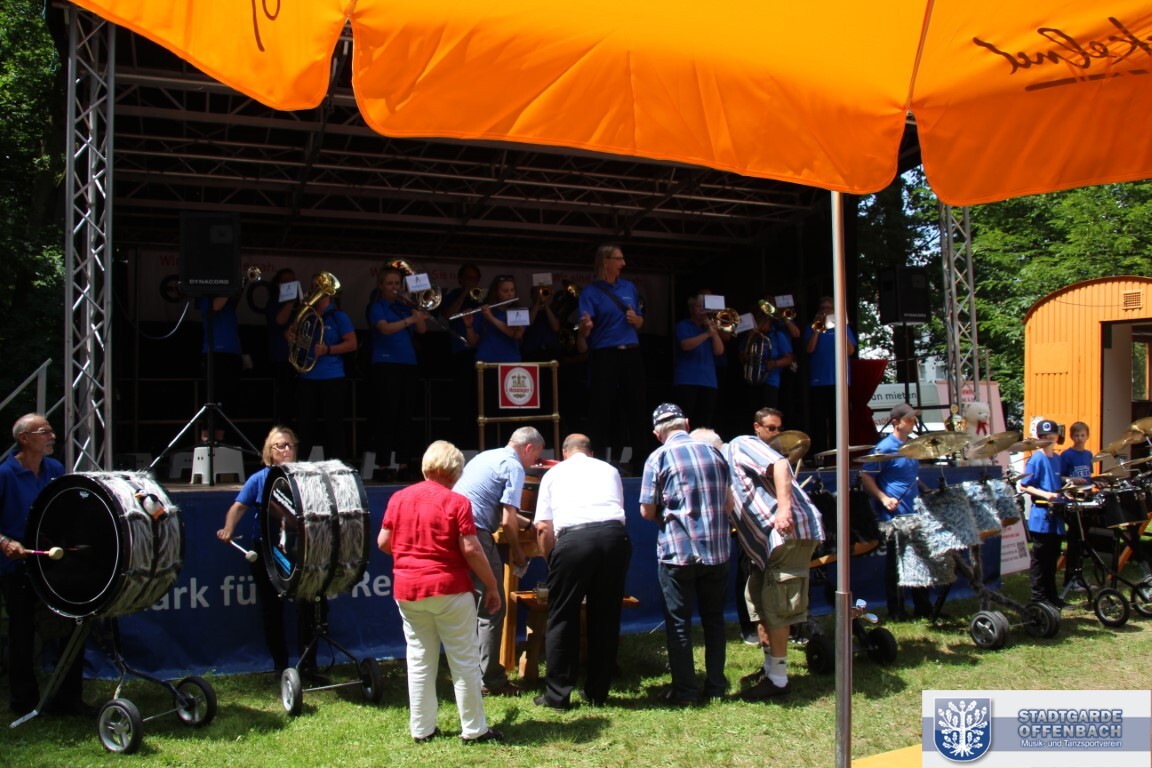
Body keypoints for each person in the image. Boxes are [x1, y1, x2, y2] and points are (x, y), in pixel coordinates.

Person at [378, 440, 504, 744]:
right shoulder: (457, 502)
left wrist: (411, 555)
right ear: (456, 471)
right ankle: (474, 729)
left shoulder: (398, 498)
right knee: (463, 660)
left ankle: (422, 729)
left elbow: (383, 543)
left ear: (426, 466)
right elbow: (471, 549)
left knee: (419, 659)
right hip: (449, 589)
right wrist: (492, 585)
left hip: (408, 590)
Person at [726, 412, 825, 699]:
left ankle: (779, 680)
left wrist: (783, 510)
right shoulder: (723, 470)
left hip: (787, 533)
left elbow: (781, 463)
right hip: (765, 549)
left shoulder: (739, 444)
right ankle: (770, 669)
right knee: (757, 599)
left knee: (778, 605)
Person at [639, 403, 731, 705]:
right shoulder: (715, 453)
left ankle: (686, 692)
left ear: (657, 434)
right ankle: (716, 685)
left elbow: (646, 510)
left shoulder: (658, 457)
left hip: (677, 552)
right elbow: (729, 504)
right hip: (717, 551)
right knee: (714, 620)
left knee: (679, 623)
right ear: (687, 424)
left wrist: (665, 516)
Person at [0, 414, 91, 717]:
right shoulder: (5, 474)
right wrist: (5, 542)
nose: (52, 436)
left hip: (52, 563)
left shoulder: (55, 469)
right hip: (17, 566)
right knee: (22, 632)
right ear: (24, 439)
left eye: (52, 431)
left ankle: (68, 699)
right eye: (45, 432)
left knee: (73, 624)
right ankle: (23, 702)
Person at [532, 433, 630, 711]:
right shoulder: (610, 470)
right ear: (591, 452)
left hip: (574, 541)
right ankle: (598, 691)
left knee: (562, 616)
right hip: (614, 538)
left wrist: (551, 560)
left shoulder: (554, 474)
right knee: (606, 615)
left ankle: (557, 696)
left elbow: (543, 528)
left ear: (564, 453)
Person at [452, 426, 545, 696]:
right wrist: (518, 551)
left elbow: (501, 510)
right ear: (528, 448)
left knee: (470, 605)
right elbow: (506, 520)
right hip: (475, 533)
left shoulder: (487, 456)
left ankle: (473, 671)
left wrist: (529, 524)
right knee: (493, 606)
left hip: (455, 531)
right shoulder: (514, 466)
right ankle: (490, 680)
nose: (535, 463)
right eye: (536, 457)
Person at [216, 426, 299, 676]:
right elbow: (238, 508)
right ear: (269, 451)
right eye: (280, 446)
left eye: (290, 445)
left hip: (299, 551)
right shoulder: (259, 479)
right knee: (272, 609)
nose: (286, 450)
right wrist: (228, 528)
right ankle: (281, 667)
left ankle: (310, 665)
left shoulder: (304, 478)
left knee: (311, 605)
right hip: (266, 552)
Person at [859, 403, 932, 621]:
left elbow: (910, 478)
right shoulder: (886, 447)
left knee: (919, 560)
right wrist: (883, 498)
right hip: (893, 516)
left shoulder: (912, 446)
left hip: (913, 513)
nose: (913, 422)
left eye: (914, 419)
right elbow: (865, 475)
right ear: (895, 423)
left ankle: (923, 608)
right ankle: (896, 610)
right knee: (896, 564)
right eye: (909, 419)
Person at [576, 243, 646, 471]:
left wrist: (637, 320)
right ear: (606, 262)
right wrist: (586, 327)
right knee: (601, 407)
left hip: (631, 353)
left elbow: (640, 321)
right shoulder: (590, 292)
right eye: (619, 258)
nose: (623, 263)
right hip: (604, 354)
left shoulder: (629, 287)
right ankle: (595, 461)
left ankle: (640, 460)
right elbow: (584, 329)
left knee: (636, 406)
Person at [367, 267, 428, 477]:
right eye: (390, 283)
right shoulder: (377, 307)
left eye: (397, 284)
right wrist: (409, 320)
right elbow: (384, 328)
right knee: (387, 414)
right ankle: (383, 465)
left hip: (408, 363)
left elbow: (422, 330)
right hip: (385, 363)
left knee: (405, 415)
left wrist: (414, 306)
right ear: (381, 286)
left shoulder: (405, 306)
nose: (394, 287)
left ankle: (403, 464)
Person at [290, 274, 357, 462]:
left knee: (333, 424)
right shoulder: (306, 314)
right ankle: (300, 464)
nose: (314, 291)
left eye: (318, 288)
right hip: (307, 377)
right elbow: (294, 335)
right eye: (313, 287)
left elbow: (352, 343)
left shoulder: (338, 316)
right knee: (305, 424)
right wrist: (291, 336)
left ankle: (336, 465)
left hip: (332, 376)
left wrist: (328, 349)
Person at [1019, 419, 1067, 608]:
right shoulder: (1036, 459)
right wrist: (1046, 494)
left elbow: (1057, 480)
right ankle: (1038, 597)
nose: (1049, 439)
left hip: (1056, 515)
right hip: (1041, 515)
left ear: (1057, 437)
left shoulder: (1057, 458)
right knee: (1040, 558)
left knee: (1053, 557)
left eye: (1051, 435)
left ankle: (1051, 595)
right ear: (1039, 438)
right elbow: (1024, 485)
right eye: (1044, 436)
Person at [802, 295, 856, 454]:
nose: (825, 311)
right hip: (819, 380)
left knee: (838, 420)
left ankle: (839, 455)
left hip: (839, 380)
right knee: (819, 420)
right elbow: (809, 349)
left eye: (829, 308)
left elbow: (850, 351)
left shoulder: (842, 327)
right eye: (823, 308)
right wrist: (817, 329)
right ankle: (820, 455)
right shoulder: (812, 327)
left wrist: (840, 327)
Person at [440, 263, 483, 447]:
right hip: (460, 353)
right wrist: (465, 292)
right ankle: (457, 442)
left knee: (477, 401)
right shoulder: (454, 295)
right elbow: (447, 315)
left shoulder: (481, 297)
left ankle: (474, 442)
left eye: (474, 279)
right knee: (459, 401)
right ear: (460, 279)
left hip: (479, 353)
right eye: (468, 278)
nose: (472, 282)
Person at [196, 292, 243, 442]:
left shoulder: (229, 303)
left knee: (227, 398)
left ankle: (221, 438)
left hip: (232, 352)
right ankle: (207, 438)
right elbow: (215, 306)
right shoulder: (206, 296)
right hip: (214, 352)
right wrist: (231, 287)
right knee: (213, 397)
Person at [672, 296, 725, 428]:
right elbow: (685, 345)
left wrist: (713, 333)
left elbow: (719, 351)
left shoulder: (710, 327)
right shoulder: (683, 325)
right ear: (691, 309)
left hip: (708, 381)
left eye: (704, 307)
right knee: (684, 421)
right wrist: (706, 334)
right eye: (698, 306)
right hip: (687, 380)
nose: (702, 310)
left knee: (704, 423)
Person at [1058, 421, 1094, 591]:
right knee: (1074, 541)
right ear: (1071, 437)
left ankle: (1079, 577)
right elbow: (1059, 477)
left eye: (1082, 435)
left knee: (1083, 540)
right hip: (1072, 501)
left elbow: (1089, 477)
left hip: (1085, 500)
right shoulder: (1067, 455)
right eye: (1076, 435)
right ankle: (1070, 578)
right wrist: (1071, 480)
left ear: (1087, 436)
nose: (1079, 438)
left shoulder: (1088, 454)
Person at [263, 268, 301, 426]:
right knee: (284, 399)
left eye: (293, 281)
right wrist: (290, 301)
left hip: (299, 359)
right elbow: (279, 321)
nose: (290, 285)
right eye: (286, 282)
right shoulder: (274, 302)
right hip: (282, 358)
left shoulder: (300, 303)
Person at [741, 305, 795, 412]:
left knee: (768, 414)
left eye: (761, 320)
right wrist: (745, 356)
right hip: (751, 379)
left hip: (770, 381)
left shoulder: (778, 335)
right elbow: (741, 354)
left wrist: (775, 364)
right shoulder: (751, 335)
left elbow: (789, 359)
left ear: (768, 320)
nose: (758, 323)